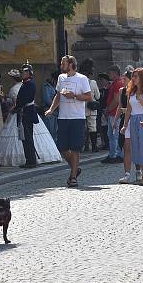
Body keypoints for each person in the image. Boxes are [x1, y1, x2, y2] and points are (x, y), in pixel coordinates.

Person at [45, 55, 92, 187]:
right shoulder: (61, 77)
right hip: (63, 117)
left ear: (71, 64)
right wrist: (51, 109)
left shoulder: (82, 79)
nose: (61, 65)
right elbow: (58, 95)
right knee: (62, 147)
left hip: (77, 117)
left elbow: (89, 97)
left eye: (63, 63)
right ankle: (75, 168)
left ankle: (73, 177)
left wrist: (75, 96)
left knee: (75, 148)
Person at [121, 68, 143, 185]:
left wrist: (142, 102)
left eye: (136, 76)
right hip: (134, 119)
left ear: (142, 78)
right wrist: (125, 125)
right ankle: (140, 172)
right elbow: (129, 109)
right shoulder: (131, 91)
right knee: (135, 147)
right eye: (133, 76)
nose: (134, 78)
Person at [0, 69, 26, 167]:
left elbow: (15, 103)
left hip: (16, 112)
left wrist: (10, 109)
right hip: (25, 112)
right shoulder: (25, 86)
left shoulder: (14, 89)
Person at [16, 64, 40, 167]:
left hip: (27, 113)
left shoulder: (30, 84)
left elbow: (26, 99)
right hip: (24, 112)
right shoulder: (25, 84)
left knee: (28, 137)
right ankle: (29, 160)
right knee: (25, 138)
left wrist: (17, 106)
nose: (22, 74)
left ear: (29, 73)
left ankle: (31, 160)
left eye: (23, 72)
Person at [102, 65, 126, 163]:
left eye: (110, 73)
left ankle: (115, 155)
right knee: (112, 135)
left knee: (114, 135)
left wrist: (108, 109)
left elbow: (116, 100)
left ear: (115, 73)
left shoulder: (117, 84)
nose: (109, 75)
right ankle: (113, 154)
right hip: (114, 112)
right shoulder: (116, 83)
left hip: (115, 113)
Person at [79, 59, 101, 153]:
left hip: (81, 108)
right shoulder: (93, 83)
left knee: (82, 128)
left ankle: (82, 146)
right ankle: (94, 146)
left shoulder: (79, 82)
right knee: (92, 127)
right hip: (91, 108)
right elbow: (98, 96)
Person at [41, 71, 59, 139]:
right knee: (49, 133)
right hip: (49, 112)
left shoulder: (55, 87)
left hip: (56, 113)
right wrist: (56, 105)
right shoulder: (46, 86)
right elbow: (47, 100)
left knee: (55, 134)